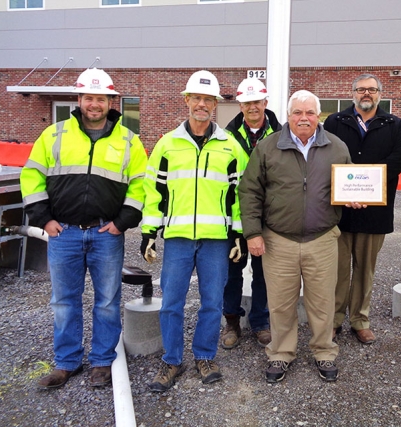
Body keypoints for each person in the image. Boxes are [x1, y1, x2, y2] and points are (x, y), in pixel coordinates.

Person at [20, 68, 147, 389]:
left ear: (110, 102)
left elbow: (140, 187)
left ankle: (102, 362)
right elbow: (32, 177)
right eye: (89, 97)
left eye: (101, 98)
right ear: (79, 99)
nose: (94, 104)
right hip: (64, 232)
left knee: (107, 301)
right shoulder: (54, 135)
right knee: (64, 301)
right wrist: (44, 219)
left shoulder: (128, 141)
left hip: (107, 234)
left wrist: (122, 224)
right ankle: (67, 362)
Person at [239, 90, 360, 383]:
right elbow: (250, 191)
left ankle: (324, 351)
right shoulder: (268, 148)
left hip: (322, 238)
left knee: (322, 302)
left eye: (309, 113)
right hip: (279, 239)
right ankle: (280, 353)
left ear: (318, 116)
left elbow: (351, 181)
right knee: (280, 302)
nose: (303, 118)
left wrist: (355, 196)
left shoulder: (336, 146)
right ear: (289, 115)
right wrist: (253, 233)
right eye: (297, 113)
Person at [141, 70, 247, 392]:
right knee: (171, 301)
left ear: (215, 104)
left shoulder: (230, 146)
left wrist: (239, 233)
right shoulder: (167, 144)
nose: (202, 104)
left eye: (208, 99)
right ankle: (172, 361)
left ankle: (204, 356)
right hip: (178, 239)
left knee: (212, 302)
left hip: (216, 240)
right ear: (187, 100)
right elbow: (154, 191)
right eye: (197, 98)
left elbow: (239, 195)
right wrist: (149, 231)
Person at [323, 73, 401, 344]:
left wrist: (367, 187)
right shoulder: (335, 122)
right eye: (361, 90)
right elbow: (323, 156)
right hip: (339, 211)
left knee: (365, 270)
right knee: (336, 270)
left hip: (375, 212)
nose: (366, 94)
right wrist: (348, 189)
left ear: (380, 94)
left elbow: (399, 160)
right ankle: (334, 319)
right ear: (353, 94)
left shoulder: (393, 124)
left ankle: (360, 319)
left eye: (372, 90)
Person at [221, 78, 282, 349]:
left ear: (265, 103)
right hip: (234, 217)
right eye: (247, 102)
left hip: (268, 218)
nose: (252, 107)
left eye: (257, 101)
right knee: (231, 273)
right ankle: (232, 322)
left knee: (263, 272)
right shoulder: (225, 135)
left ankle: (260, 321)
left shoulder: (281, 134)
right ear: (240, 104)